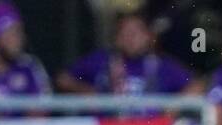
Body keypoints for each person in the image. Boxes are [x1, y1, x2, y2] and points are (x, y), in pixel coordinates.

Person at [57, 10, 195, 98]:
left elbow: (197, 86)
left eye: (136, 33)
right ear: (116, 38)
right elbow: (63, 79)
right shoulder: (101, 59)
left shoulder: (161, 64)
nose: (131, 39)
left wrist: (172, 109)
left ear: (148, 37)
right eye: (125, 33)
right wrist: (88, 92)